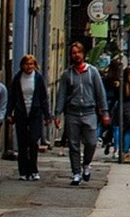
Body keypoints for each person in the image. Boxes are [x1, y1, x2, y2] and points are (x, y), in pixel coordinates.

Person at [54, 42, 110, 186]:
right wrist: (58, 113)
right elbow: (61, 95)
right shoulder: (67, 74)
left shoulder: (92, 72)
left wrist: (105, 112)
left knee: (91, 142)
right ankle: (76, 173)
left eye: (78, 52)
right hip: (72, 113)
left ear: (83, 54)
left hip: (89, 112)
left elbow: (100, 93)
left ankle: (86, 164)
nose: (76, 55)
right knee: (73, 145)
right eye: (73, 53)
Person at [7, 54, 51, 181]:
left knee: (32, 141)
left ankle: (33, 170)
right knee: (22, 143)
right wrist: (9, 114)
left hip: (35, 113)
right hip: (21, 112)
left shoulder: (38, 78)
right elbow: (13, 97)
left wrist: (47, 115)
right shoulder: (17, 78)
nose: (29, 67)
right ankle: (23, 171)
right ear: (22, 65)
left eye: (31, 64)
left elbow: (43, 98)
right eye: (26, 64)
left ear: (35, 65)